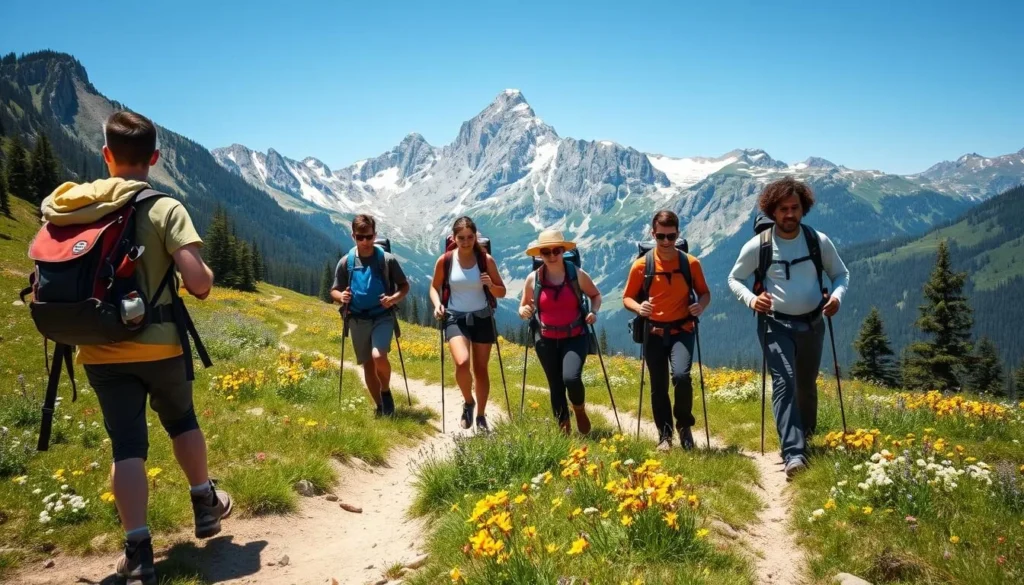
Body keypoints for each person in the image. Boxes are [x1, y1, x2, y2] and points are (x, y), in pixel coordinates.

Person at [49, 112, 230, 585]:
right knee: (182, 422)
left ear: (105, 154)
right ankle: (205, 503)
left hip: (100, 349)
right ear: (154, 158)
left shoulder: (75, 205)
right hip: (161, 348)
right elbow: (198, 283)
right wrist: (202, 275)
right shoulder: (164, 207)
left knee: (127, 446)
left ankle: (139, 553)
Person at [728, 177, 850, 479]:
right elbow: (734, 278)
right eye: (783, 209)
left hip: (813, 323)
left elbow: (841, 274)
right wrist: (752, 299)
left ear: (803, 208)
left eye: (794, 207)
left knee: (806, 386)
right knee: (785, 382)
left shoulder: (817, 241)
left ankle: (806, 435)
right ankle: (794, 453)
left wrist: (836, 297)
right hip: (775, 324)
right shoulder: (759, 245)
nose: (789, 214)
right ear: (772, 210)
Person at [623, 210, 711, 451]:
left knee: (682, 377)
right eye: (660, 236)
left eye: (670, 237)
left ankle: (684, 426)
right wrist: (639, 307)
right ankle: (665, 435)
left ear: (677, 234)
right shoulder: (641, 266)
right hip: (653, 331)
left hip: (683, 328)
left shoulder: (691, 263)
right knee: (658, 385)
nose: (665, 242)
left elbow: (705, 293)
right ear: (653, 234)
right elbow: (627, 298)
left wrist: (699, 307)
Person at [518, 230, 602, 435]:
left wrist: (593, 311)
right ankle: (564, 430)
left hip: (575, 336)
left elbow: (595, 295)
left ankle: (579, 410)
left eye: (557, 250)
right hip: (545, 339)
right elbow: (522, 307)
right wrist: (524, 311)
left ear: (563, 251)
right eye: (546, 252)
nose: (552, 255)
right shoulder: (533, 279)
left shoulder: (577, 274)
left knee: (571, 378)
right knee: (555, 385)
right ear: (540, 255)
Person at [429, 216, 507, 431]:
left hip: (482, 317)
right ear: (454, 238)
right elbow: (434, 287)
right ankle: (468, 401)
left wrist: (490, 284)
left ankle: (481, 415)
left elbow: (501, 292)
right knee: (462, 362)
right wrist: (437, 305)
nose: (465, 241)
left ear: (476, 237)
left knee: (481, 369)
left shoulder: (485, 260)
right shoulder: (445, 260)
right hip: (455, 317)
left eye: (470, 237)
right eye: (461, 238)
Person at [330, 214, 410, 417]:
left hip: (382, 316)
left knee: (378, 355)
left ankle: (386, 391)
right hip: (357, 318)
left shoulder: (386, 260)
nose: (365, 241)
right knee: (367, 365)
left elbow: (404, 286)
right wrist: (342, 297)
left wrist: (392, 299)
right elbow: (334, 290)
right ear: (353, 236)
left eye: (369, 236)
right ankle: (381, 407)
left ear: (375, 235)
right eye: (360, 237)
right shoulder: (346, 262)